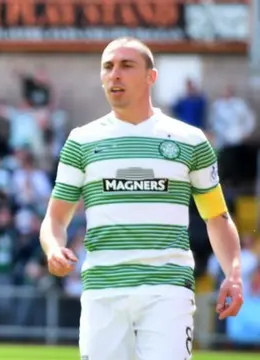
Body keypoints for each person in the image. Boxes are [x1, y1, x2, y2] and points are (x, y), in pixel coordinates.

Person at [40, 37, 244, 360]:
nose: (114, 74)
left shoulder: (190, 141)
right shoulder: (81, 141)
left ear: (152, 76)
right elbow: (55, 219)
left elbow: (216, 217)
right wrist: (53, 249)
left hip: (167, 290)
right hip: (102, 290)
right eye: (108, 67)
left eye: (126, 65)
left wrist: (233, 274)